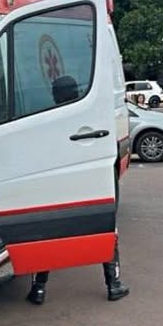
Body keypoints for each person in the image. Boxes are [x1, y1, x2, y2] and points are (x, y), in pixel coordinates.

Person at [26, 75, 131, 305]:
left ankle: (39, 288)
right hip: (89, 184)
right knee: (105, 228)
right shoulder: (90, 116)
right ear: (75, 92)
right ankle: (113, 284)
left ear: (54, 95)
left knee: (47, 234)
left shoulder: (45, 119)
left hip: (56, 186)